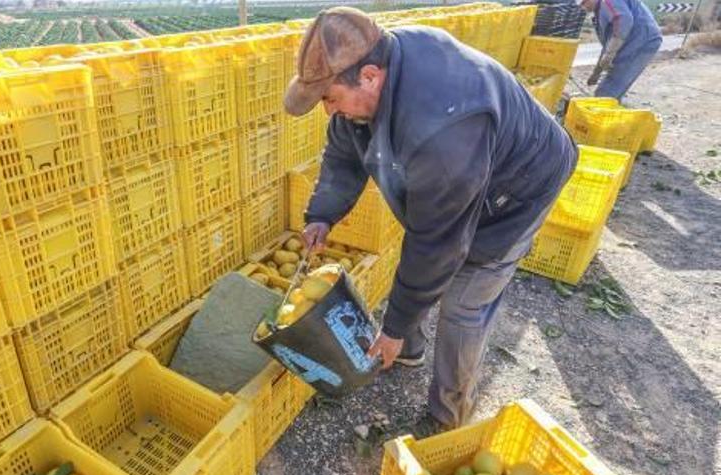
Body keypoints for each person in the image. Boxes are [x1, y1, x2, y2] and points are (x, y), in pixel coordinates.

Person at [284, 7, 578, 430]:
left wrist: (395, 324)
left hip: (519, 187)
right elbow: (344, 153)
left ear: (369, 76)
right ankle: (407, 347)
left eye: (329, 98)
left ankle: (446, 418)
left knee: (464, 300)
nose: (328, 111)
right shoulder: (377, 73)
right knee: (425, 244)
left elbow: (436, 243)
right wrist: (323, 215)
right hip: (460, 174)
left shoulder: (443, 126)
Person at [580, 0, 662, 100]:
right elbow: (608, 44)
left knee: (606, 92)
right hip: (634, 42)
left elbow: (624, 20)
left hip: (642, 41)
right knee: (611, 91)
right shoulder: (600, 11)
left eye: (583, 3)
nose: (583, 7)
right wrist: (596, 73)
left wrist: (609, 54)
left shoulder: (607, 2)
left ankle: (604, 112)